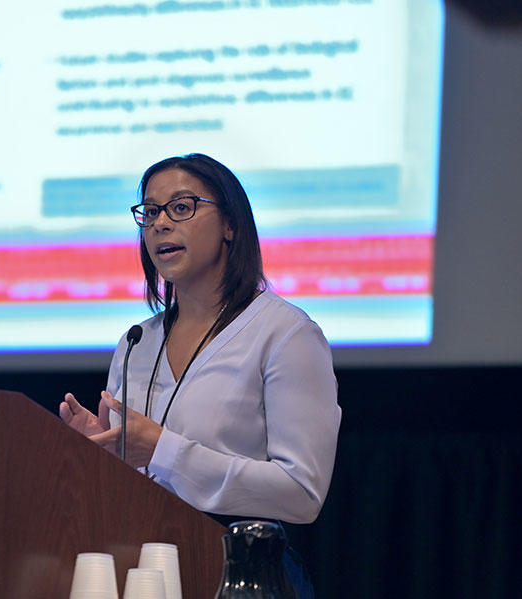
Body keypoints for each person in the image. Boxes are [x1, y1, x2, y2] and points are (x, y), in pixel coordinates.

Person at [59, 153, 340, 596]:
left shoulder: (286, 335)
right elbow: (132, 481)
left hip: (243, 576)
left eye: (182, 207)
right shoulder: (136, 342)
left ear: (230, 225)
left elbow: (301, 493)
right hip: (144, 571)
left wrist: (164, 450)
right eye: (150, 212)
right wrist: (105, 456)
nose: (160, 224)